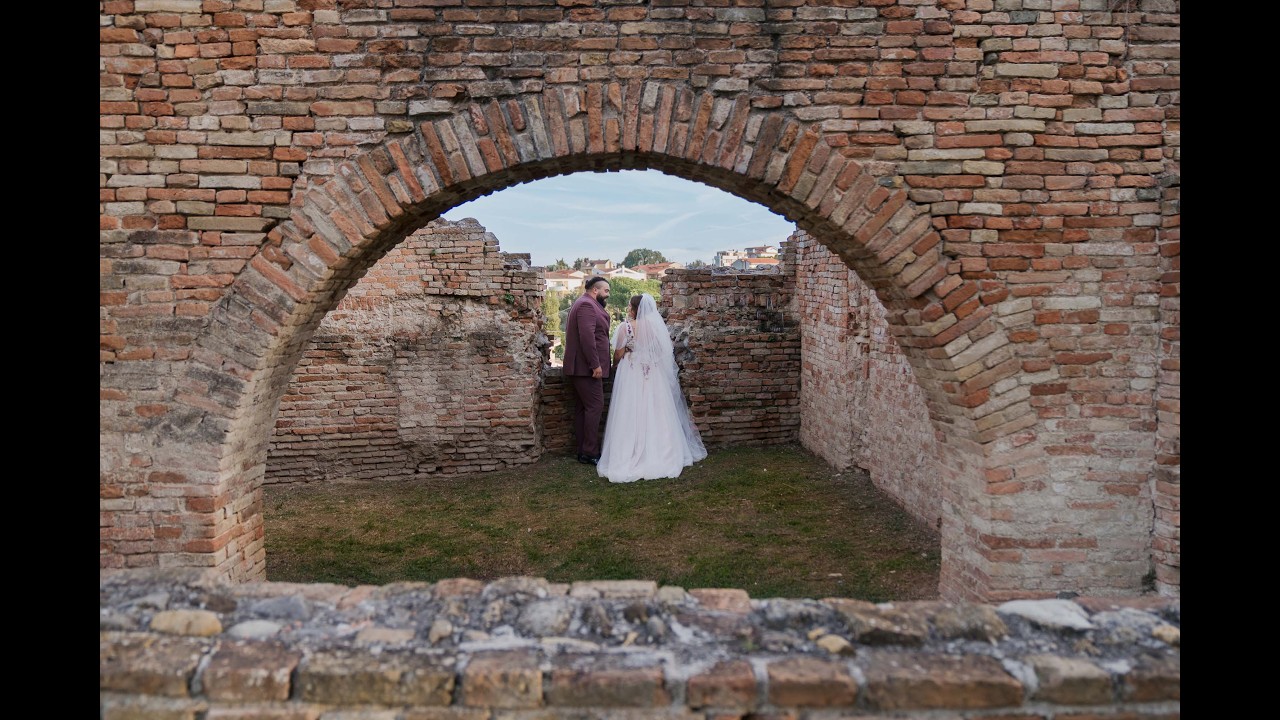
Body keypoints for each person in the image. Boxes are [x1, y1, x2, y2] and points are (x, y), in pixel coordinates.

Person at [597, 293, 707, 483]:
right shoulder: (656, 327)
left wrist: (622, 358)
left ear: (634, 308)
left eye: (630, 306)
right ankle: (662, 453)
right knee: (656, 411)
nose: (628, 309)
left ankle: (630, 454)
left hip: (631, 373)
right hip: (653, 373)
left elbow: (618, 354)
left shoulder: (626, 327)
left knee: (631, 411)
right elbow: (663, 350)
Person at [562, 276, 612, 465]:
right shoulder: (586, 305)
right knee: (595, 407)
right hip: (586, 368)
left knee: (584, 408)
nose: (608, 295)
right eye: (606, 291)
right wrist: (595, 365)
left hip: (583, 368)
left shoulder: (588, 303)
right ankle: (590, 452)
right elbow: (587, 338)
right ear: (595, 290)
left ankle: (584, 450)